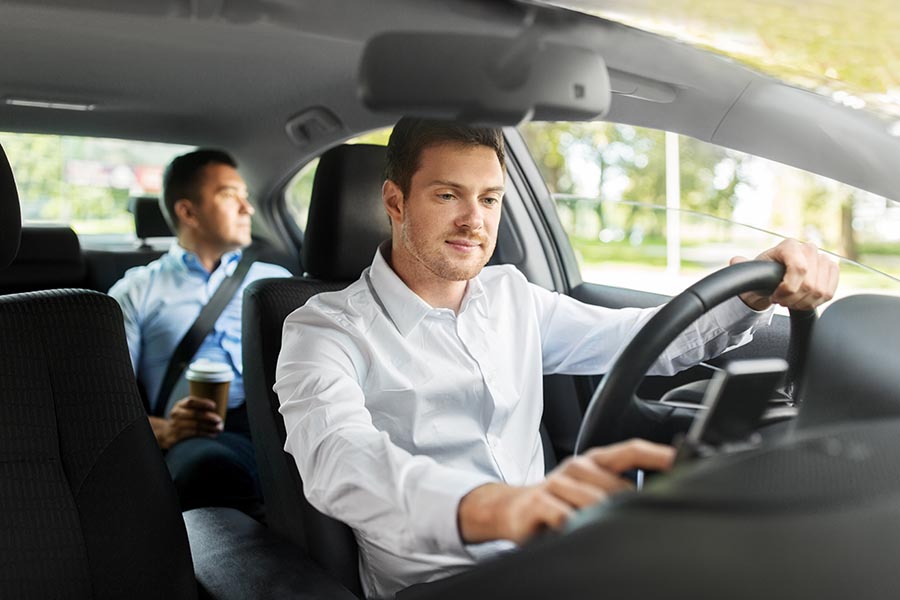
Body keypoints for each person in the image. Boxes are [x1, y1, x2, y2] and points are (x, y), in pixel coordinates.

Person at [274, 119, 839, 598]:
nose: (475, 221)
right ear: (395, 201)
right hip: (440, 583)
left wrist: (749, 293)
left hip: (551, 559)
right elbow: (340, 458)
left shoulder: (512, 296)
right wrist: (498, 508)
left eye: (490, 199)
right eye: (448, 195)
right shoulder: (322, 330)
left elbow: (641, 341)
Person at [110, 148, 291, 517]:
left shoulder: (277, 282)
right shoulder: (137, 290)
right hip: (197, 434)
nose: (247, 208)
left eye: (245, 195)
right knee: (206, 468)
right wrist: (164, 431)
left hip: (280, 426)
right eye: (229, 195)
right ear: (188, 211)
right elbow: (105, 403)